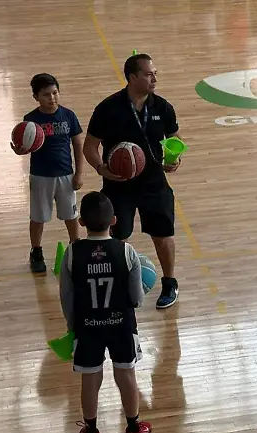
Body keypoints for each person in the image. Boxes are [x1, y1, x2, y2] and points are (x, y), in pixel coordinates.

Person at [82, 53, 181, 309]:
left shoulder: (163, 108)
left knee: (163, 234)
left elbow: (174, 139)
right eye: (149, 74)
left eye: (155, 73)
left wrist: (174, 159)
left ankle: (169, 282)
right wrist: (101, 167)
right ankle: (116, 283)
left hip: (154, 184)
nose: (154, 78)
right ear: (132, 77)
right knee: (117, 238)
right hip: (118, 186)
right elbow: (90, 146)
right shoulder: (108, 108)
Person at [58, 191, 152, 433]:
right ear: (114, 220)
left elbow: (66, 297)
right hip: (121, 326)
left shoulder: (72, 253)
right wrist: (144, 287)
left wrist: (72, 326)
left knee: (90, 380)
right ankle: (134, 429)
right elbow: (136, 299)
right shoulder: (127, 252)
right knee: (126, 376)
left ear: (82, 223)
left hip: (87, 327)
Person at [12, 73, 84, 273]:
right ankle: (36, 251)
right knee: (38, 217)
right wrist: (21, 150)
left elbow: (78, 145)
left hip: (66, 175)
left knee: (71, 214)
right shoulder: (30, 120)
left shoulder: (69, 116)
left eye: (55, 93)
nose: (52, 98)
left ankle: (75, 247)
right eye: (46, 94)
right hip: (40, 176)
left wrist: (79, 173)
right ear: (36, 97)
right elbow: (25, 145)